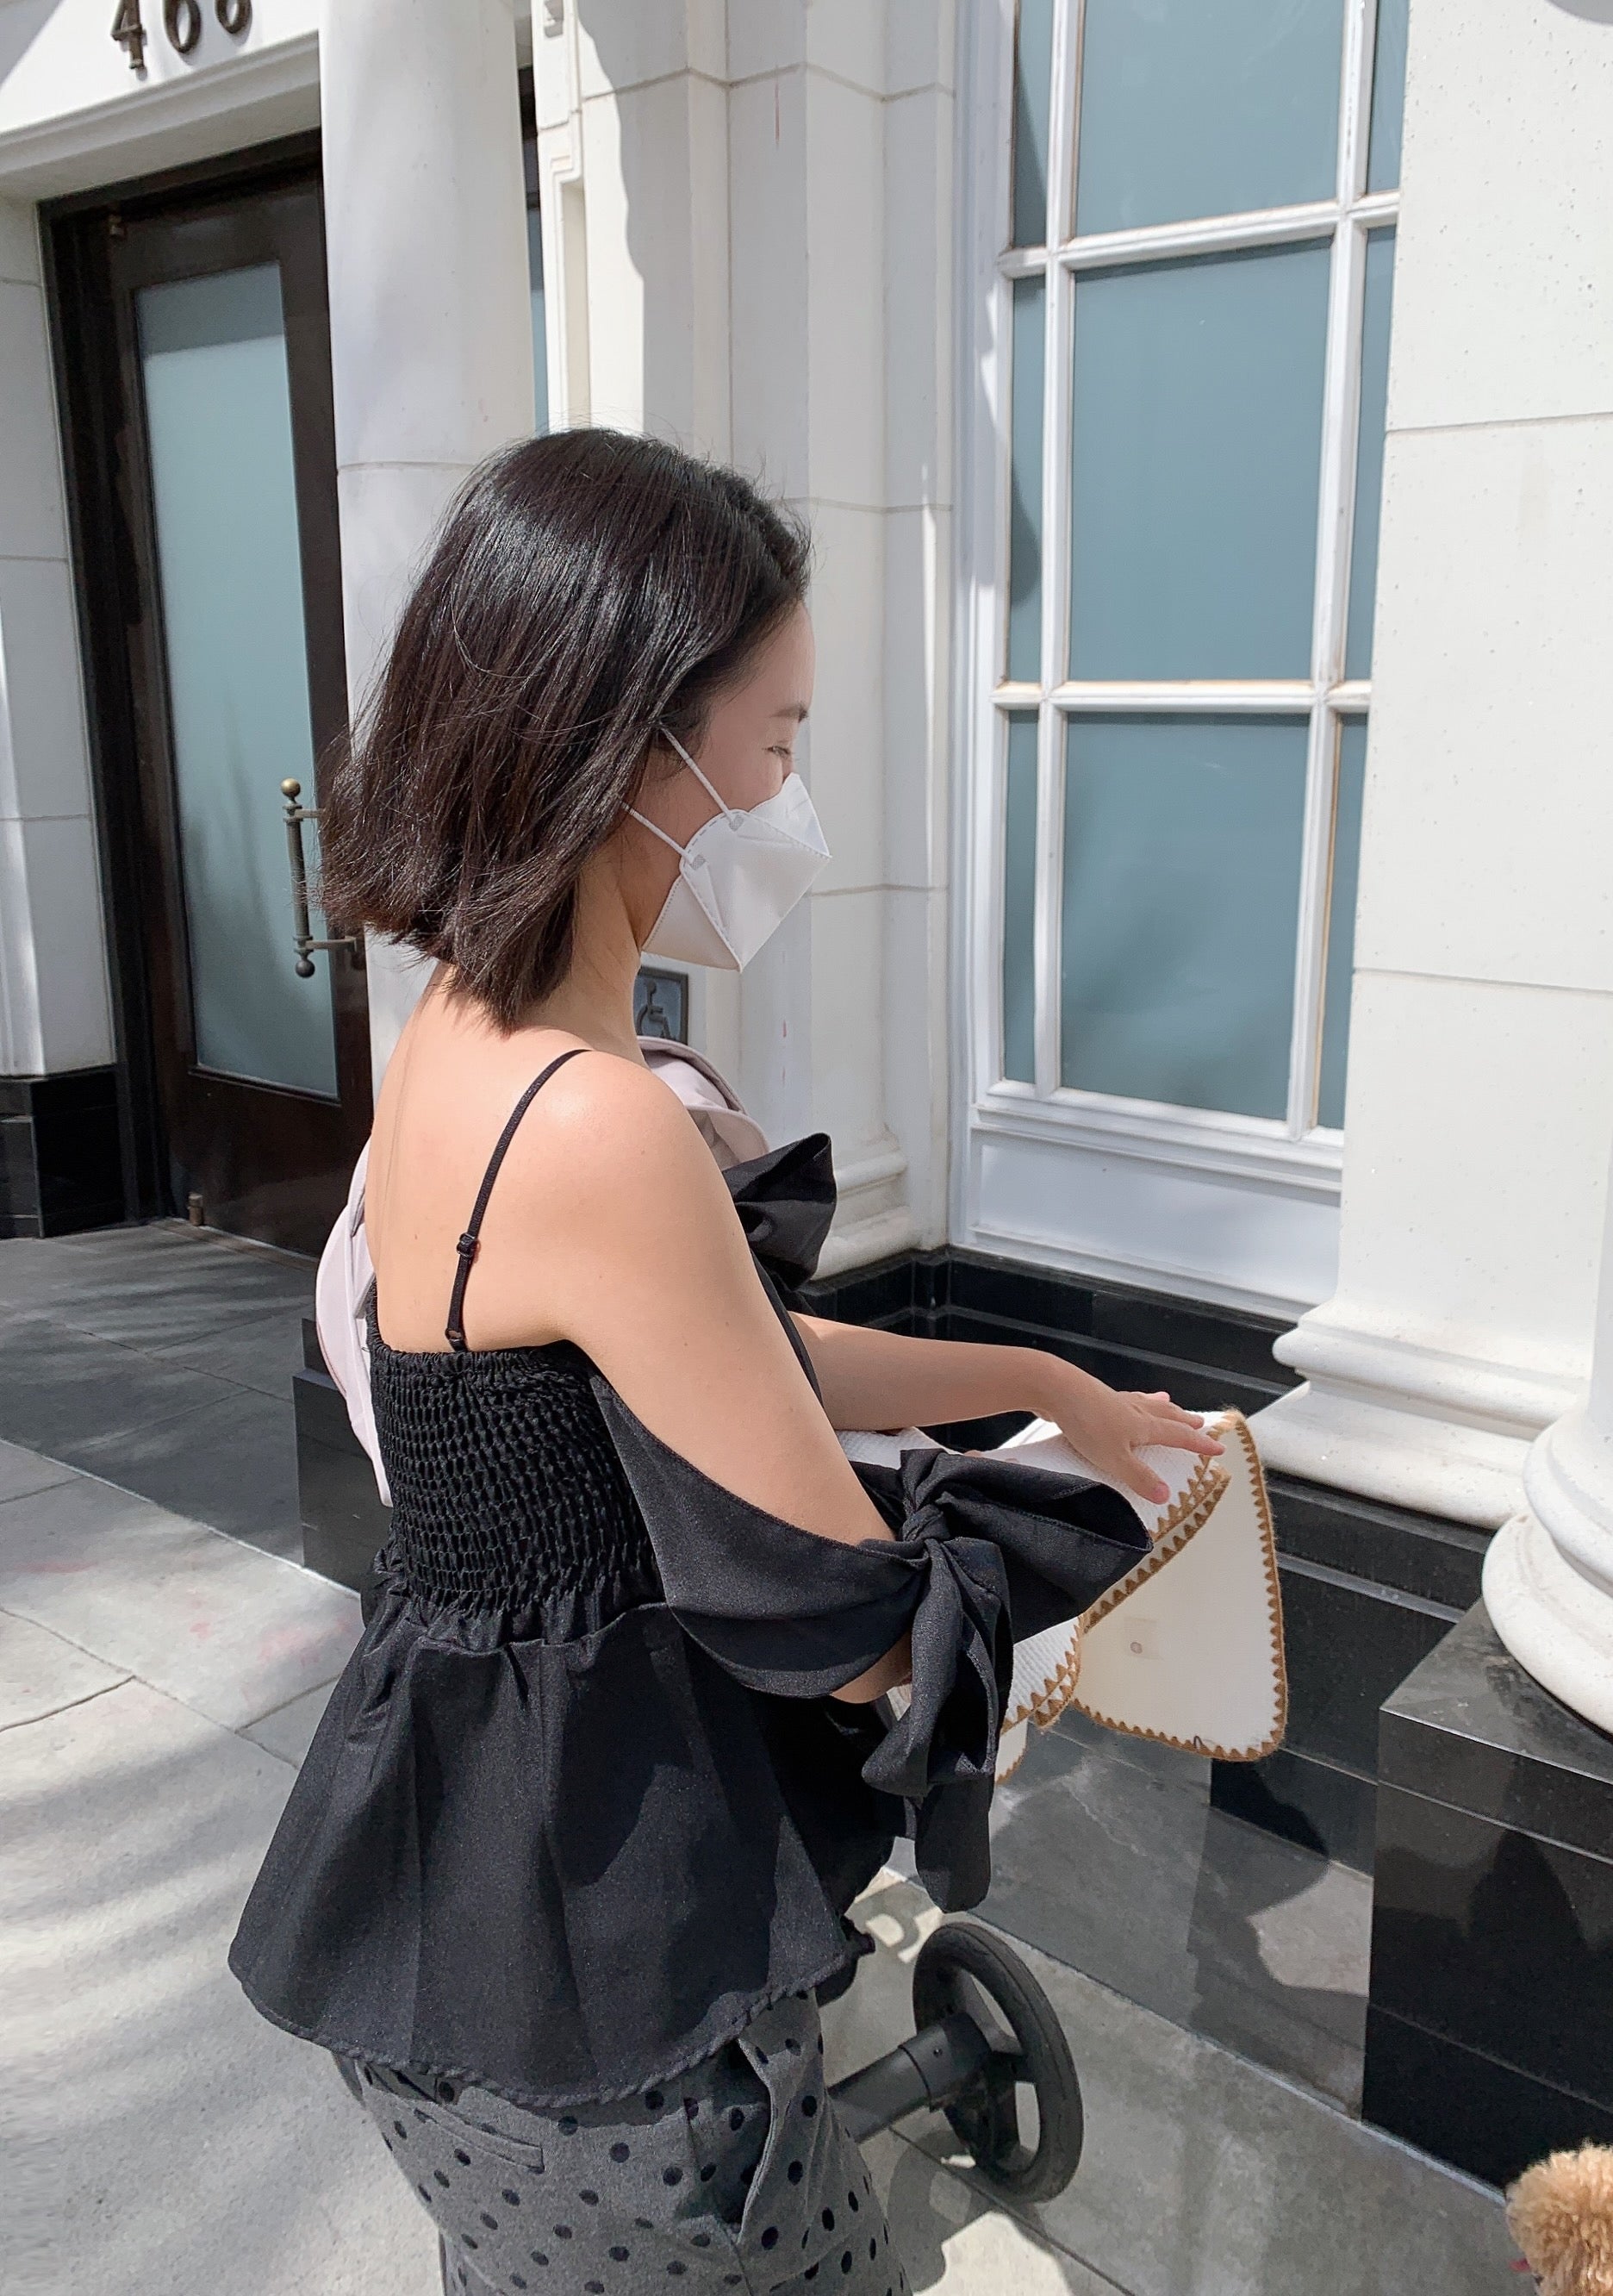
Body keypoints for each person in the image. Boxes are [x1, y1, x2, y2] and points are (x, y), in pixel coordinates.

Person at [229, 428, 1222, 2296]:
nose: (791, 800)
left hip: (458, 1913)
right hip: (605, 1993)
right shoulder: (601, 1121)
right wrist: (1084, 1597)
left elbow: (721, 1362)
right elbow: (851, 1635)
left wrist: (1049, 1386)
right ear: (634, 748)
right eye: (776, 742)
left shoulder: (456, 1034)